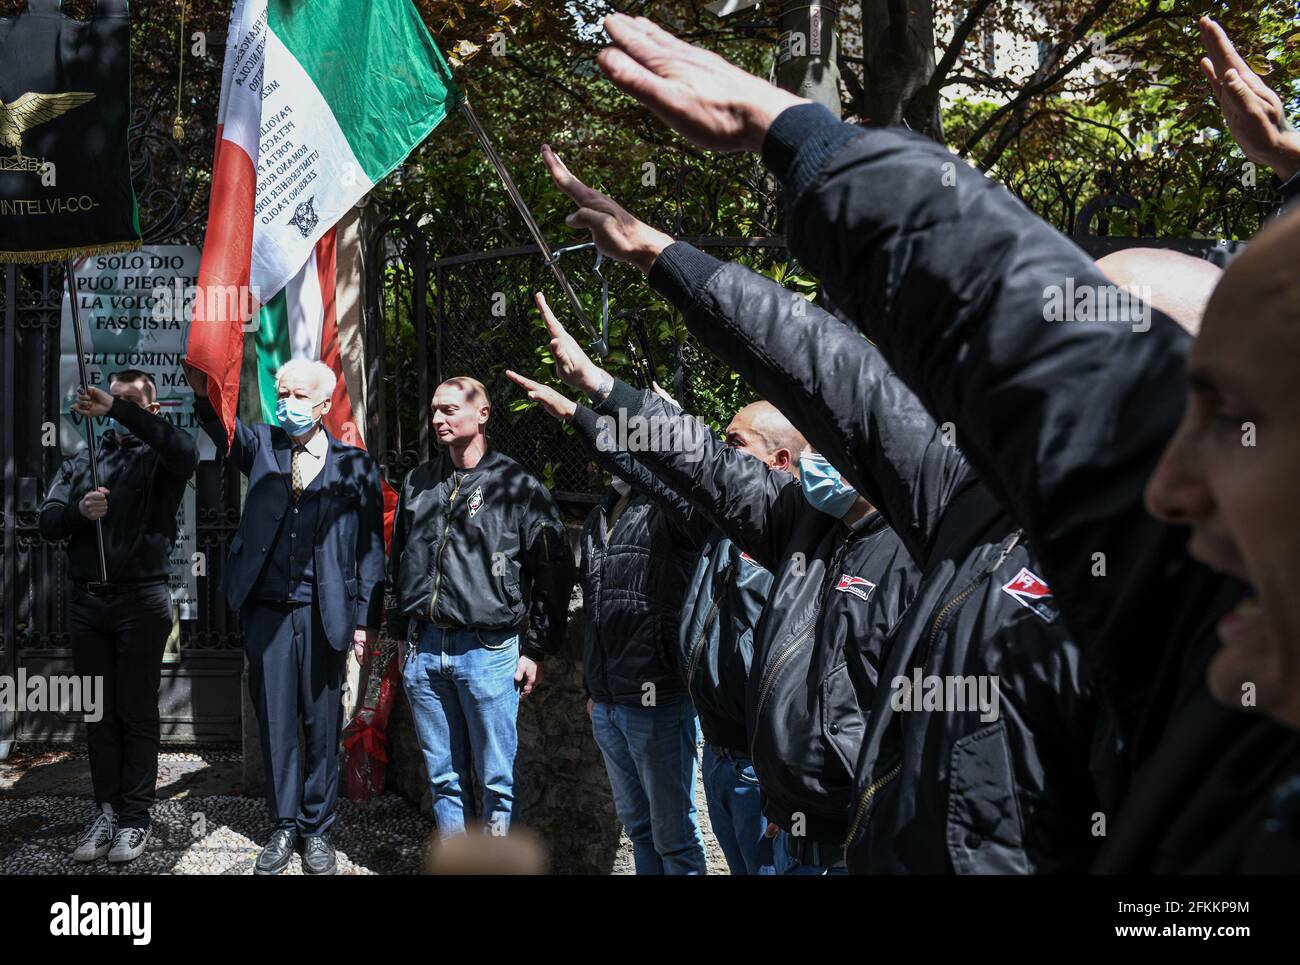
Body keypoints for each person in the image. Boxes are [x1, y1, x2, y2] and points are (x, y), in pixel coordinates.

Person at [589, 12, 1300, 870]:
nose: (1174, 477)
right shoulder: (969, 504)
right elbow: (841, 369)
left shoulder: (1187, 609)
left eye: (1210, 415)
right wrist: (686, 245)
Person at [529, 150, 1104, 873]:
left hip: (849, 839)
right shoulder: (801, 521)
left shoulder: (928, 541)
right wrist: (604, 389)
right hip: (783, 823)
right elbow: (701, 460)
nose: (822, 450)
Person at [512, 302, 925, 875]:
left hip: (795, 791)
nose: (725, 453)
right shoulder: (734, 522)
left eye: (737, 443)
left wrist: (794, 783)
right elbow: (675, 464)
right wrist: (588, 401)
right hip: (735, 762)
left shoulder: (885, 548)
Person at [514, 353, 798, 874]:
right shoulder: (625, 512)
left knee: (692, 845)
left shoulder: (785, 538)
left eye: (733, 445)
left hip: (743, 751)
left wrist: (594, 404)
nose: (722, 454)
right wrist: (575, 411)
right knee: (657, 835)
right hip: (707, 742)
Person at [192, 359, 385, 875]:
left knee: (321, 723)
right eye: (282, 393)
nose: (286, 403)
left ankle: (317, 828)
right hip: (267, 612)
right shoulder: (261, 445)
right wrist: (203, 390)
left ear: (323, 405)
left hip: (327, 613)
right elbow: (221, 426)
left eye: (297, 395)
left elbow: (370, 549)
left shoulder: (356, 466)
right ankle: (284, 825)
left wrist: (366, 620)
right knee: (276, 720)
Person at [387, 377, 574, 842]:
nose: (437, 420)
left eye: (449, 410)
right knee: (443, 778)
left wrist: (535, 649)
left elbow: (553, 569)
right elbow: (399, 562)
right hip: (424, 649)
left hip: (489, 654)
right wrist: (398, 633)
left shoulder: (518, 487)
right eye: (434, 410)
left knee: (496, 781)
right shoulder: (419, 482)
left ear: (483, 414)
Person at [39, 371, 197, 865]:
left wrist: (115, 407)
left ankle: (135, 818)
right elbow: (46, 521)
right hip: (88, 603)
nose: (115, 408)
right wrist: (77, 514)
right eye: (111, 399)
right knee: (98, 712)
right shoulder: (81, 460)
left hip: (141, 601)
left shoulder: (161, 461)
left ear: (150, 410)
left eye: (129, 402)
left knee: (136, 710)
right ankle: (106, 809)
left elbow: (184, 450)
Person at [577, 429, 709, 874]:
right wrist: (592, 690)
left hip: (657, 700)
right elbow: (594, 606)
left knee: (674, 837)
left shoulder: (670, 503)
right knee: (638, 829)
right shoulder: (603, 508)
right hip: (609, 701)